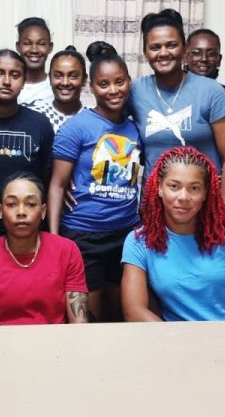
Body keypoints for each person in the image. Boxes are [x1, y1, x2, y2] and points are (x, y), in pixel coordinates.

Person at [48, 42, 143, 321]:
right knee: (91, 315)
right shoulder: (76, 127)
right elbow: (57, 184)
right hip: (84, 234)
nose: (113, 90)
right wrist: (54, 239)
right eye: (104, 84)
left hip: (126, 233)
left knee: (120, 310)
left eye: (119, 82)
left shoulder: (135, 126)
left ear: (129, 81)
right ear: (92, 86)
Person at [122, 146, 225, 321]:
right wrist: (174, 344)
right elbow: (134, 311)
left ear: (206, 193)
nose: (183, 197)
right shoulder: (139, 241)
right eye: (174, 186)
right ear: (160, 188)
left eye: (194, 188)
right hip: (178, 341)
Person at [130, 9, 225, 209]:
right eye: (155, 47)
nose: (163, 53)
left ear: (184, 49)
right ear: (146, 53)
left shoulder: (211, 91)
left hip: (203, 205)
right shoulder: (135, 91)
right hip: (155, 207)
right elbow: (107, 127)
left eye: (171, 45)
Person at [0, 173, 88, 325]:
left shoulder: (67, 251)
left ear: (43, 211)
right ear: (0, 211)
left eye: (31, 204)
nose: (21, 212)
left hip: (54, 344)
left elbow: (79, 324)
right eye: (12, 204)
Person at [0, 49, 55, 241]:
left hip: (29, 229)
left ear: (24, 80)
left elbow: (47, 180)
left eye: (15, 75)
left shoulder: (40, 123)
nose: (7, 81)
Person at [29, 45, 88, 132]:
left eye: (73, 76)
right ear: (50, 78)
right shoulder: (34, 115)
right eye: (58, 76)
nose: (65, 83)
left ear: (84, 80)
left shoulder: (93, 118)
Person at [15, 17, 55, 106]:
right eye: (27, 43)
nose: (34, 50)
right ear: (18, 46)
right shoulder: (9, 84)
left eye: (41, 44)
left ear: (50, 47)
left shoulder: (57, 86)